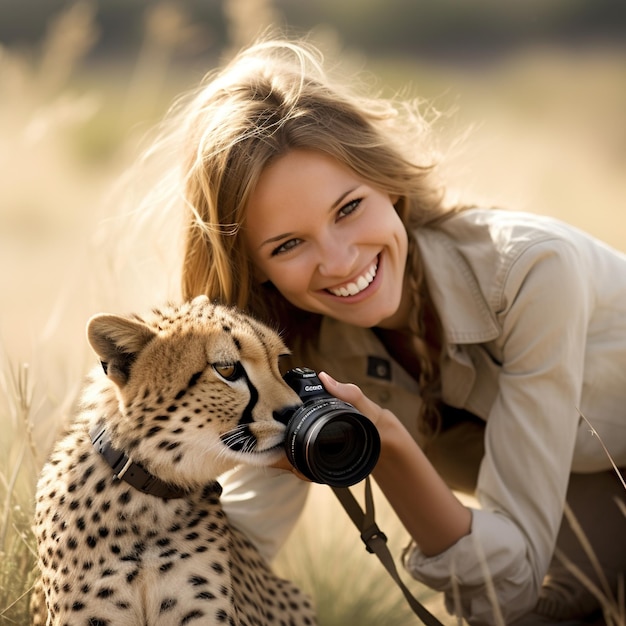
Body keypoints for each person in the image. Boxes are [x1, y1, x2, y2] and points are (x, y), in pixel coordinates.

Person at [145, 36, 626, 625]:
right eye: (289, 244)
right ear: (256, 270)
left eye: (348, 208)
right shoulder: (300, 350)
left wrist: (392, 451)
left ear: (389, 184)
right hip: (594, 507)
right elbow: (242, 538)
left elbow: (510, 581)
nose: (341, 260)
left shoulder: (532, 271)